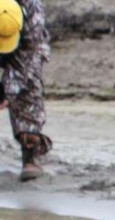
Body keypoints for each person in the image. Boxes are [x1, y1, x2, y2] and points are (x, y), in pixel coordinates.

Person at [0, 0, 52, 181]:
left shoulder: (33, 13)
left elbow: (24, 64)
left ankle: (30, 152)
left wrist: (6, 92)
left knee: (28, 90)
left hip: (25, 48)